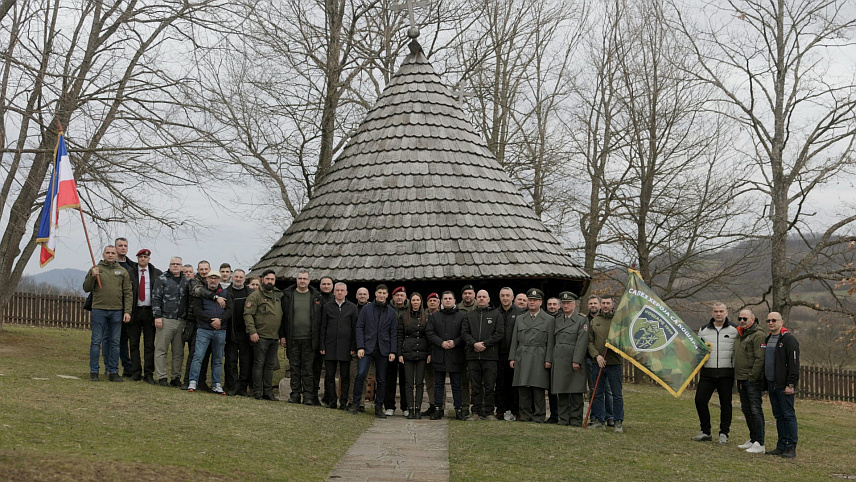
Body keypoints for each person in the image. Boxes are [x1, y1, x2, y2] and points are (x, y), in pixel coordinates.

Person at [83, 245, 132, 382]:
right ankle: (94, 371)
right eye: (108, 253)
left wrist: (127, 311)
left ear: (117, 255)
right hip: (99, 310)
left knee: (115, 342)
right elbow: (86, 288)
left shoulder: (122, 272)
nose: (110, 255)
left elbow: (128, 293)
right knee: (96, 341)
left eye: (113, 253)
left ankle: (113, 371)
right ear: (103, 254)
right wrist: (93, 276)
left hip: (117, 311)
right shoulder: (96, 269)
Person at [692, 302, 737, 444]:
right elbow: (697, 349)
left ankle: (724, 433)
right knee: (700, 401)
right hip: (707, 373)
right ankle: (705, 431)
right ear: (712, 313)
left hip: (726, 373)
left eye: (721, 311)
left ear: (726, 312)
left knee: (726, 404)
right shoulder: (704, 330)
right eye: (716, 311)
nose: (718, 314)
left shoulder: (735, 329)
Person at [349, 284, 397, 418]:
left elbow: (393, 332)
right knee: (361, 374)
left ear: (387, 295)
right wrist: (360, 347)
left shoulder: (391, 311)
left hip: (384, 349)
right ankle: (356, 403)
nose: (382, 295)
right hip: (367, 348)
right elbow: (359, 327)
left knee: (381, 379)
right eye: (379, 292)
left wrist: (393, 351)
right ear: (375, 294)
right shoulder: (366, 309)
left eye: (384, 293)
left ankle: (378, 407)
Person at [508, 289, 554, 423]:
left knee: (538, 387)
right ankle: (525, 415)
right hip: (522, 354)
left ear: (540, 302)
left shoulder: (549, 319)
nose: (532, 302)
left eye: (535, 300)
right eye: (530, 300)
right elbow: (514, 339)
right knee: (522, 387)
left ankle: (539, 415)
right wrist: (512, 357)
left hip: (539, 355)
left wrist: (548, 359)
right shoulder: (520, 318)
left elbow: (551, 342)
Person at [281, 270, 324, 405]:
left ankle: (308, 396)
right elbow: (282, 317)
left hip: (309, 340)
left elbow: (321, 320)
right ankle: (295, 395)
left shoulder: (316, 296)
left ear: (309, 281)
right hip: (292, 338)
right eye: (300, 278)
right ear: (296, 280)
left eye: (305, 279)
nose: (302, 281)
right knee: (294, 368)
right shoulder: (288, 295)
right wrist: (282, 335)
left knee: (308, 369)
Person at [462, 290, 503, 421]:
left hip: (490, 356)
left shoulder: (496, 314)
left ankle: (490, 412)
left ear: (488, 299)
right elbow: (464, 333)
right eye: (479, 297)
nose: (481, 299)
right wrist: (474, 344)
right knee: (475, 386)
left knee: (490, 386)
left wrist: (485, 344)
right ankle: (475, 412)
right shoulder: (469, 315)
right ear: (476, 298)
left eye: (484, 297)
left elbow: (499, 333)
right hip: (473, 356)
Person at [188, 272, 233, 394]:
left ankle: (216, 384)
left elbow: (229, 310)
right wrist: (211, 320)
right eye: (211, 278)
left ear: (219, 280)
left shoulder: (225, 293)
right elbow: (197, 311)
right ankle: (193, 381)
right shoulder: (200, 293)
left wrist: (221, 320)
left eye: (216, 278)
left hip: (220, 330)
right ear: (207, 279)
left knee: (218, 359)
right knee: (198, 356)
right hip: (204, 329)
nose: (213, 280)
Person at [183, 260, 224, 390]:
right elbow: (198, 291)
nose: (204, 271)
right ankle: (188, 381)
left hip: (208, 324)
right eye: (201, 269)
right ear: (198, 270)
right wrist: (215, 297)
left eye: (206, 269)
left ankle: (201, 381)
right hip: (194, 321)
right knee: (195, 354)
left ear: (210, 269)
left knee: (207, 354)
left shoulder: (215, 284)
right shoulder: (194, 282)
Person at [764, 312, 800, 458]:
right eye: (768, 320)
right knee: (778, 416)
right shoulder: (768, 339)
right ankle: (781, 445)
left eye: (774, 320)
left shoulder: (788, 339)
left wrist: (791, 384)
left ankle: (791, 447)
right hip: (772, 384)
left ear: (781, 322)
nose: (771, 323)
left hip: (784, 386)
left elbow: (794, 364)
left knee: (788, 415)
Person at [550, 292, 588, 426]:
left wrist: (576, 360)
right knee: (562, 390)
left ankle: (576, 419)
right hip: (559, 359)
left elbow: (582, 342)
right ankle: (564, 418)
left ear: (574, 304)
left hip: (573, 359)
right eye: (564, 303)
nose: (566, 306)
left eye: (568, 303)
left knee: (576, 390)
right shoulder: (558, 319)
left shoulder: (582, 319)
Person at [244, 270, 284, 400]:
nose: (270, 281)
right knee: (259, 364)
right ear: (262, 280)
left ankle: (268, 392)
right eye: (268, 279)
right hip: (260, 336)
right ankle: (257, 391)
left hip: (274, 336)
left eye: (272, 279)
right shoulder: (255, 296)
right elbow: (248, 314)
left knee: (270, 365)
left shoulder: (278, 296)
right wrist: (252, 331)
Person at [426, 291, 467, 420]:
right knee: (438, 384)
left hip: (456, 354)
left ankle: (458, 409)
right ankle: (438, 409)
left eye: (450, 298)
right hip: (439, 354)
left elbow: (465, 333)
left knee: (456, 384)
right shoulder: (435, 316)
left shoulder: (462, 316)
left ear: (455, 300)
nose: (448, 300)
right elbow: (429, 332)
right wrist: (441, 342)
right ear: (441, 301)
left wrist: (455, 342)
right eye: (445, 298)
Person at [587, 295, 624, 432]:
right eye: (603, 303)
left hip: (615, 363)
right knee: (597, 392)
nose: (605, 305)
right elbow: (589, 341)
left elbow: (624, 341)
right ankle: (599, 420)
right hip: (598, 363)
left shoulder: (619, 321)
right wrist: (596, 356)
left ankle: (618, 421)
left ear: (613, 304)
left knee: (616, 394)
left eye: (608, 303)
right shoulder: (595, 321)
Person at [320, 282, 359, 409]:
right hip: (330, 345)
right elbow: (323, 327)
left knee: (345, 376)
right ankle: (332, 400)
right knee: (329, 375)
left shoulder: (352, 308)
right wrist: (322, 345)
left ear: (346, 293)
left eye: (342, 290)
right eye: (337, 290)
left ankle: (343, 401)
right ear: (334, 292)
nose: (340, 292)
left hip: (346, 347)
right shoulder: (327, 307)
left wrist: (353, 347)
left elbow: (355, 329)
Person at [152, 256, 189, 387]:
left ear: (182, 266)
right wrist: (157, 316)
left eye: (178, 264)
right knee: (161, 350)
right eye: (173, 264)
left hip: (181, 321)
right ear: (169, 265)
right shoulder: (162, 279)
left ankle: (175, 377)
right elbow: (156, 298)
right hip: (165, 319)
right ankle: (162, 377)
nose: (175, 266)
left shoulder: (187, 281)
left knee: (178, 351)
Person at [733, 309, 766, 454]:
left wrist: (752, 377)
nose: (742, 321)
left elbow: (760, 358)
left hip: (752, 380)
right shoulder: (740, 334)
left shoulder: (758, 335)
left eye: (745, 318)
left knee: (755, 410)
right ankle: (753, 439)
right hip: (741, 378)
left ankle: (760, 442)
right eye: (740, 318)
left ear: (753, 319)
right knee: (746, 409)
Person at [128, 248, 162, 383]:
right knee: (134, 343)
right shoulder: (130, 273)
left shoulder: (156, 273)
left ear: (149, 259)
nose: (143, 259)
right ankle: (136, 371)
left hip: (149, 312)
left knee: (149, 344)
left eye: (145, 257)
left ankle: (148, 373)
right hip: (135, 311)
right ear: (137, 258)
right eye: (141, 257)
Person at [398, 292, 430, 419]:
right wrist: (399, 353)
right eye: (413, 300)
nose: (415, 302)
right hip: (407, 352)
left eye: (418, 300)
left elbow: (429, 336)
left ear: (421, 302)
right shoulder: (403, 317)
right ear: (410, 302)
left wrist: (429, 353)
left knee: (419, 383)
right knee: (408, 383)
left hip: (422, 352)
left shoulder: (426, 317)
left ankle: (418, 409)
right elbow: (400, 336)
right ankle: (410, 408)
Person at [585, 295, 614, 426]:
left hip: (606, 360)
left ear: (599, 305)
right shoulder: (585, 320)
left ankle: (610, 416)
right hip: (590, 358)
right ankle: (596, 416)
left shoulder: (610, 320)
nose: (593, 305)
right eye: (590, 303)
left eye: (595, 303)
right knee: (594, 389)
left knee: (607, 389)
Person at [496, 287, 523, 421]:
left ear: (513, 298)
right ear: (499, 297)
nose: (505, 298)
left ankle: (516, 410)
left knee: (515, 384)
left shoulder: (520, 313)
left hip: (515, 355)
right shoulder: (495, 313)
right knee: (500, 384)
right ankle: (500, 410)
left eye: (507, 295)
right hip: (498, 354)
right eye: (502, 295)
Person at [226, 269, 253, 396]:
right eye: (236, 277)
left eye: (240, 277)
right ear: (232, 277)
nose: (238, 279)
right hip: (231, 331)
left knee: (245, 361)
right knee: (231, 361)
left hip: (246, 332)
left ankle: (243, 387)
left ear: (244, 278)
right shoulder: (226, 293)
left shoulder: (250, 294)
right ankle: (233, 385)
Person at [113, 237, 135, 377]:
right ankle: (112, 367)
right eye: (120, 245)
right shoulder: (109, 265)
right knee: (114, 340)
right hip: (113, 307)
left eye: (125, 245)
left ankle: (129, 367)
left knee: (127, 339)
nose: (123, 248)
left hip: (129, 309)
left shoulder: (132, 267)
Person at [385, 286, 409, 416]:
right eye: (397, 295)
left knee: (406, 379)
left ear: (406, 297)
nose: (399, 297)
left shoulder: (411, 310)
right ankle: (389, 406)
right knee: (390, 378)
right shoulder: (387, 310)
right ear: (393, 297)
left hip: (406, 350)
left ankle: (405, 407)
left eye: (402, 295)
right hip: (389, 349)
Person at [348, 287, 372, 412]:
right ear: (356, 296)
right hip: (354, 348)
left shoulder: (371, 310)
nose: (362, 296)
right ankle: (351, 400)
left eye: (364, 294)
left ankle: (361, 402)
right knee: (353, 375)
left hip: (367, 349)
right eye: (360, 294)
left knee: (363, 377)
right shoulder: (353, 309)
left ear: (368, 296)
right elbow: (352, 330)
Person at [420, 292, 441, 417]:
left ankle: (440, 406)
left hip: (438, 351)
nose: (432, 302)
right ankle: (432, 404)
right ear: (427, 303)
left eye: (435, 300)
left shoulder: (442, 316)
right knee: (429, 381)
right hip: (425, 351)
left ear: (439, 303)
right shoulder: (423, 316)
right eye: (430, 300)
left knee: (439, 381)